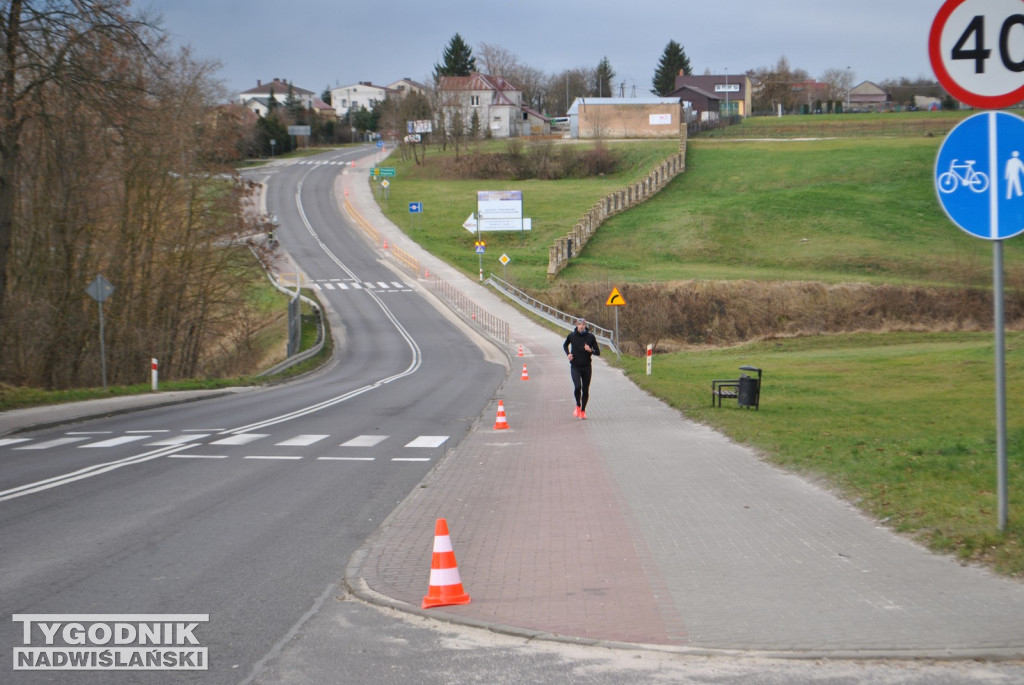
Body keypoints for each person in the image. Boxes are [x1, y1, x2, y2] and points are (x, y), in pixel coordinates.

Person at [563, 317, 600, 419]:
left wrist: (590, 350)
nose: (581, 326)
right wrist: (568, 354)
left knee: (585, 389)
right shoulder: (572, 336)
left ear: (585, 325)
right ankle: (578, 406)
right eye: (579, 324)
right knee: (577, 387)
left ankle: (583, 411)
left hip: (586, 367)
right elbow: (565, 345)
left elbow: (598, 352)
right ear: (576, 325)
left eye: (583, 324)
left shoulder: (590, 337)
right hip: (575, 366)